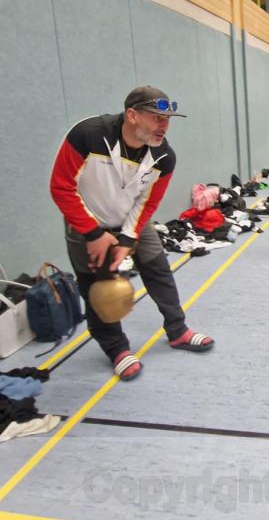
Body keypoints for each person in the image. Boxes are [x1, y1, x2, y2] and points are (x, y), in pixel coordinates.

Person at [50, 86, 214, 382]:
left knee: (159, 272)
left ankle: (177, 330)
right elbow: (61, 187)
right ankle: (116, 349)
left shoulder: (164, 156)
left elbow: (147, 203)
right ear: (132, 115)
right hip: (86, 223)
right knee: (98, 289)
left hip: (132, 219)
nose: (164, 125)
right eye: (157, 117)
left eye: (168, 119)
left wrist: (128, 238)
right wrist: (93, 233)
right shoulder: (87, 135)